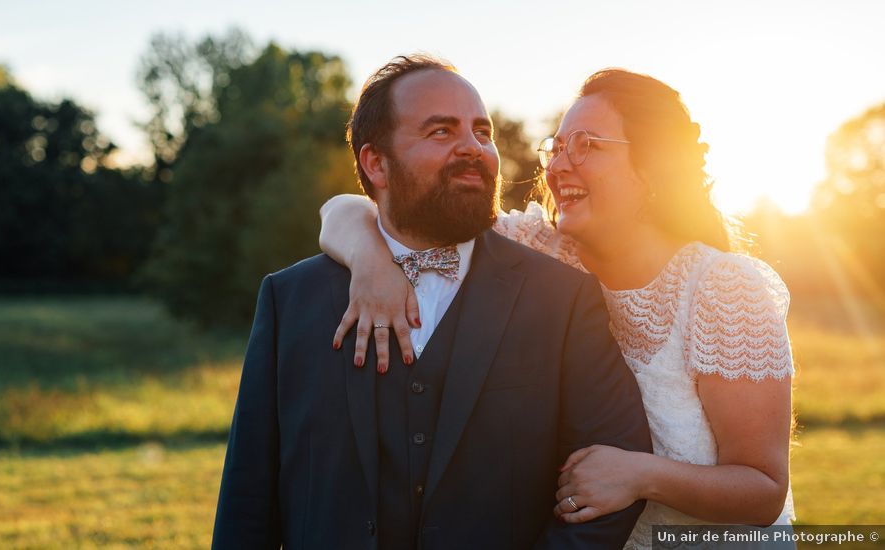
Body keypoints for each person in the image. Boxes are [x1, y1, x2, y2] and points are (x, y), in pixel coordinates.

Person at [319, 68, 795, 549]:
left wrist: (643, 475)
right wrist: (369, 260)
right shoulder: (539, 250)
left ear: (652, 167)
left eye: (586, 144)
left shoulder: (724, 289)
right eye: (558, 147)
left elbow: (763, 490)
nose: (558, 166)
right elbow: (349, 207)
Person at [212, 56, 652, 549]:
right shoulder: (289, 300)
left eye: (481, 131)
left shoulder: (562, 299)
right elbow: (247, 499)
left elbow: (614, 478)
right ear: (376, 163)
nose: (473, 147)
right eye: (441, 132)